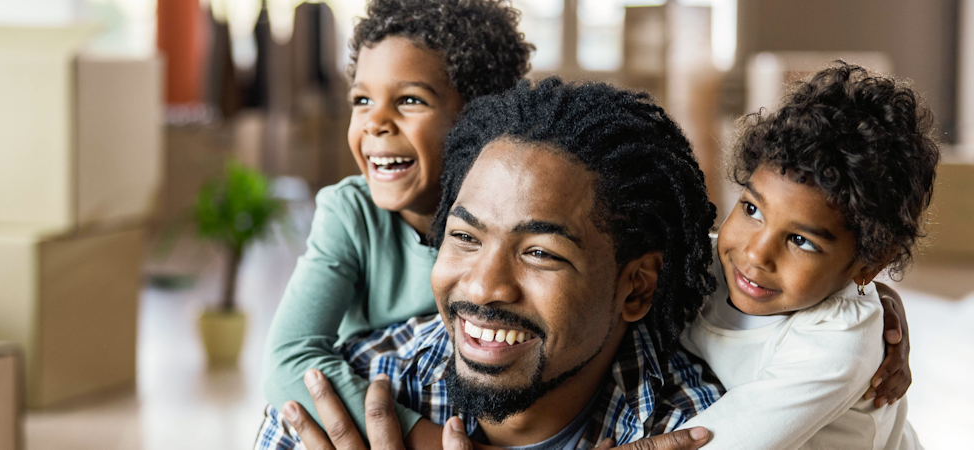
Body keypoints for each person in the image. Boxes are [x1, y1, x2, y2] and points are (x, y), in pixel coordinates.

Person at [259, 78, 727, 449]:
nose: (482, 287)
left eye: (540, 253)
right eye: (464, 237)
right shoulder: (347, 399)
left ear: (637, 288)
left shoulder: (700, 429)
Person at [262, 0, 533, 446]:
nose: (375, 122)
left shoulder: (515, 219)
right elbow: (289, 360)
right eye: (361, 100)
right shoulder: (351, 214)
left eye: (409, 100)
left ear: (480, 117)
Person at [674, 62, 937, 449]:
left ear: (871, 263)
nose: (756, 253)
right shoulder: (704, 260)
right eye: (752, 210)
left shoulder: (840, 342)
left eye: (801, 241)